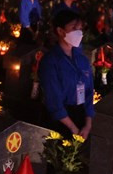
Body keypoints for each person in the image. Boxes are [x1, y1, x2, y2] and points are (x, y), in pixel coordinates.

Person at [39, 9, 95, 138]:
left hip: (81, 116)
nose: (79, 32)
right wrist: (73, 129)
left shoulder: (81, 58)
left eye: (80, 28)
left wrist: (88, 124)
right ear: (60, 31)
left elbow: (89, 91)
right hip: (61, 121)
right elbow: (54, 99)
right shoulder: (51, 61)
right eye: (74, 28)